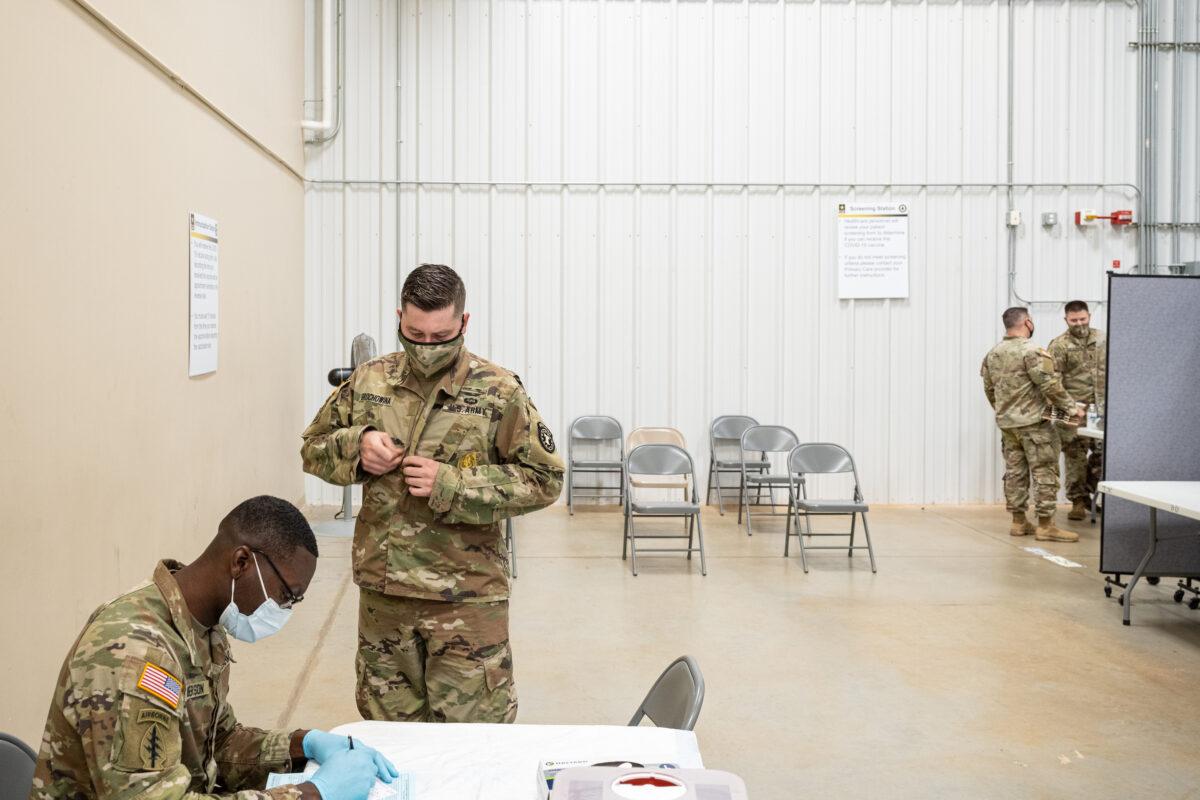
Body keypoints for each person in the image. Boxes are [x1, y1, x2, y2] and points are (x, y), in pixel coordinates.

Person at [301, 264, 563, 724]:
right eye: (414, 333)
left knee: (472, 744)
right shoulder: (369, 381)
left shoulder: (499, 391)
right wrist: (356, 448)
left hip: (467, 599)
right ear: (399, 317)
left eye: (440, 336)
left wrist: (454, 485)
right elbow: (312, 449)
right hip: (386, 599)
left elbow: (545, 480)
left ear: (464, 323)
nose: (425, 347)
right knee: (391, 741)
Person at [28, 496, 399, 800]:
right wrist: (313, 793)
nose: (285, 610)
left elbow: (219, 742)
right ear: (241, 562)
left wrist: (303, 746)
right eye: (287, 595)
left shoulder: (206, 625)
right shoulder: (134, 652)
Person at [981, 307, 1083, 542]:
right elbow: (1049, 385)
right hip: (1035, 424)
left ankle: (1018, 522)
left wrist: (1005, 411)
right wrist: (1071, 408)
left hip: (1008, 425)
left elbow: (989, 389)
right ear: (1027, 322)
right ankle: (1046, 525)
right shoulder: (1033, 351)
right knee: (1044, 472)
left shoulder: (993, 354)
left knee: (1015, 473)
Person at [1048, 300, 1106, 521]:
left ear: (1089, 316)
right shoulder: (1059, 345)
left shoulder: (1102, 339)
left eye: (1082, 319)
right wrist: (1068, 407)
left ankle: (1092, 491)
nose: (1079, 324)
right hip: (1073, 412)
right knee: (1075, 457)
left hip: (1100, 410)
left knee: (1103, 455)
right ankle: (1078, 502)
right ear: (1066, 320)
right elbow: (1052, 382)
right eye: (1074, 320)